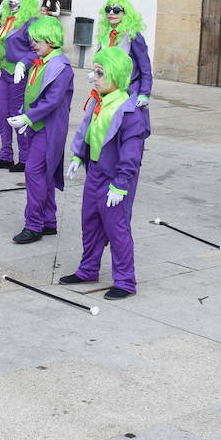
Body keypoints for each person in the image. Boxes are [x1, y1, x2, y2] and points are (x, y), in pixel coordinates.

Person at [60, 46, 149, 299]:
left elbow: (132, 152)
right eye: (94, 71)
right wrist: (78, 155)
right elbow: (88, 131)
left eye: (100, 72)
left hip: (115, 177)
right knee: (90, 223)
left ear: (117, 75)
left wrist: (121, 184)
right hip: (95, 172)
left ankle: (125, 280)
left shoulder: (129, 111)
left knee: (116, 228)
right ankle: (88, 269)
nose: (94, 77)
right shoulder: (99, 101)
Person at [8, 16, 74, 244]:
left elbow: (53, 101)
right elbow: (32, 93)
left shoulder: (61, 67)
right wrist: (23, 113)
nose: (33, 44)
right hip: (36, 126)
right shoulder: (42, 61)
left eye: (36, 40)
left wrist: (27, 116)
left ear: (50, 39)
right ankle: (48, 221)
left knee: (34, 173)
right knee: (42, 174)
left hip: (49, 128)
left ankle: (33, 225)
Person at [0, 0, 40, 172]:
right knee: (1, 112)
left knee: (16, 115)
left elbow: (37, 50)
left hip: (21, 76)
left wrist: (23, 63)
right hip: (6, 73)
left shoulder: (30, 22)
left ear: (26, 1)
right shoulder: (8, 20)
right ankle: (6, 155)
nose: (13, 0)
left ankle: (25, 158)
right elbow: (3, 45)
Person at [94, 0, 153, 125]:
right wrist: (96, 73)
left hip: (128, 89)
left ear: (125, 13)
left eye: (116, 10)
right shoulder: (104, 34)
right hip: (107, 88)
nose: (111, 13)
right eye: (108, 9)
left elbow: (145, 68)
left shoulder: (133, 36)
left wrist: (144, 93)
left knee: (128, 127)